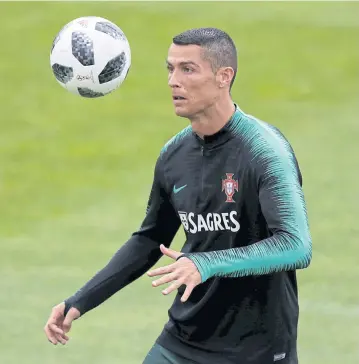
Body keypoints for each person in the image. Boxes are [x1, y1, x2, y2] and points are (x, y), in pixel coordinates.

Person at [44, 27, 312, 364]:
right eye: (170, 69)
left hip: (257, 350)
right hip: (184, 341)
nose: (173, 80)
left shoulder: (264, 151)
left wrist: (205, 263)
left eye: (187, 69)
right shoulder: (174, 155)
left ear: (223, 77)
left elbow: (295, 245)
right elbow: (150, 239)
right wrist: (80, 301)